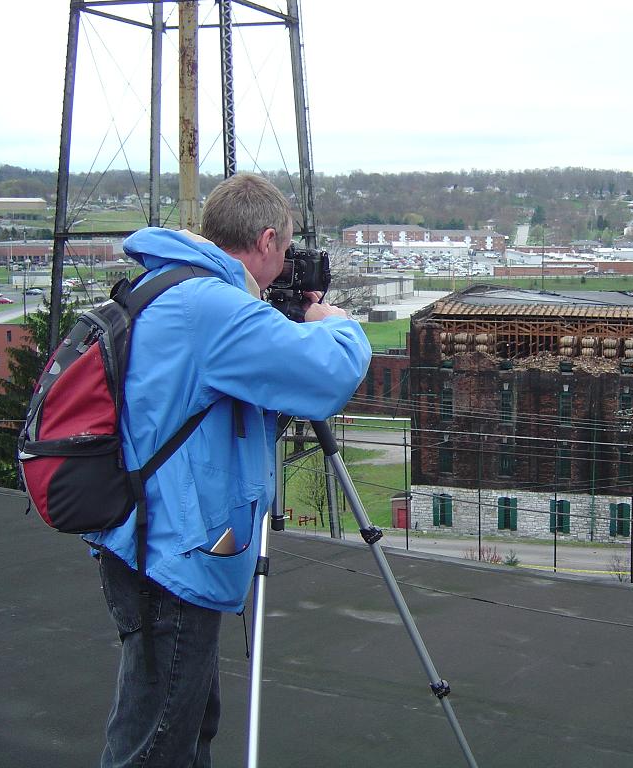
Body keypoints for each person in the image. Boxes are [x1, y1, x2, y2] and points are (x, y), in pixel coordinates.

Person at [87, 173, 371, 767]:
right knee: (158, 739)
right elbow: (330, 374)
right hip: (173, 551)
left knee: (182, 720)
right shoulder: (213, 308)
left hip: (145, 536)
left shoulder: (164, 285)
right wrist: (334, 321)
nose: (284, 267)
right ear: (267, 239)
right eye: (284, 251)